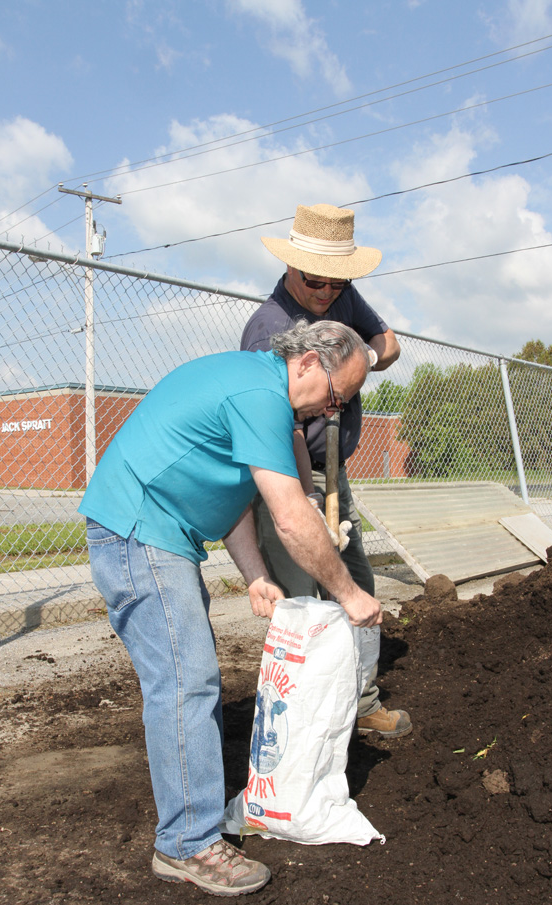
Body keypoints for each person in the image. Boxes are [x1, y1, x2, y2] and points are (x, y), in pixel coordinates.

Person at [78, 320, 383, 898]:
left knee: (190, 679)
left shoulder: (260, 391)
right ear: (311, 364)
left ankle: (190, 831)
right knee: (186, 682)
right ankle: (186, 845)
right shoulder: (259, 395)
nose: (332, 410)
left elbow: (236, 497)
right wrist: (349, 593)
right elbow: (291, 517)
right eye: (338, 395)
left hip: (155, 533)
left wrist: (257, 576)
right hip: (138, 532)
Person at [241, 203, 412, 738]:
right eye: (315, 280)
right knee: (304, 597)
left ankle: (359, 702)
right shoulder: (268, 327)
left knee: (356, 581)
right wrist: (306, 501)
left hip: (337, 473)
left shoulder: (341, 297)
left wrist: (354, 361)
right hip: (288, 475)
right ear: (291, 267)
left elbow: (390, 345)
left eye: (337, 283)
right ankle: (305, 720)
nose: (326, 292)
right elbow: (278, 427)